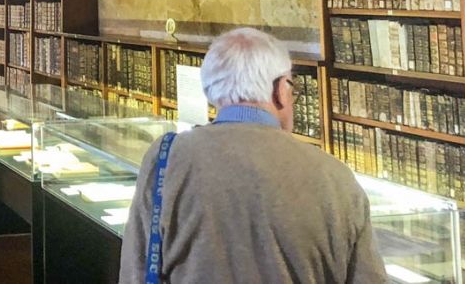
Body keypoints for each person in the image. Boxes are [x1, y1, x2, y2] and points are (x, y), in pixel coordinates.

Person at [118, 27, 386, 284]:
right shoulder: (335, 176)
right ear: (280, 90)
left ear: (210, 91)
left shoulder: (166, 159)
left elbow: (136, 271)